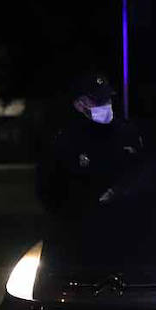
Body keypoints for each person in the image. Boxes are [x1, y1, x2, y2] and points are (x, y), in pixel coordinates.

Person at [36, 74, 142, 215]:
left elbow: (143, 173)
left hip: (127, 220)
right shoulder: (67, 141)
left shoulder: (127, 133)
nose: (105, 104)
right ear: (79, 105)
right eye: (98, 101)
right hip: (83, 224)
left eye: (107, 98)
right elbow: (50, 189)